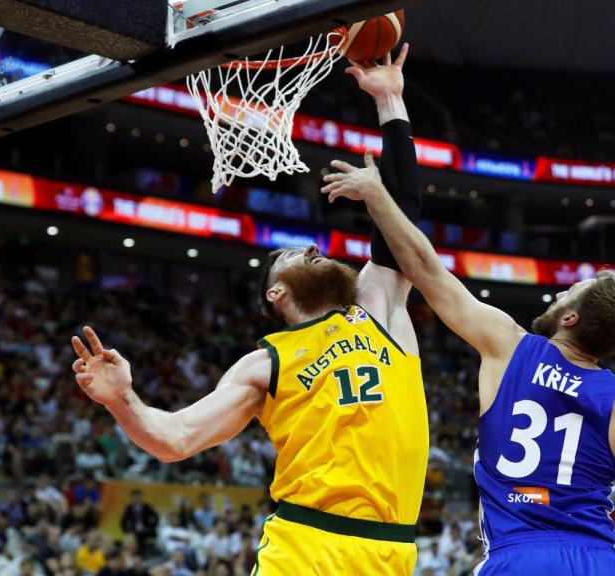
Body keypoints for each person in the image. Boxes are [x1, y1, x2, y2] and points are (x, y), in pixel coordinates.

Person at [70, 43, 427, 576]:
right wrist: (123, 401)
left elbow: (403, 215)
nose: (310, 249)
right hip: (305, 545)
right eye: (290, 256)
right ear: (276, 294)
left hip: (393, 550)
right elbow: (177, 439)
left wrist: (390, 102)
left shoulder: (378, 305)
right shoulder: (265, 363)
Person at [322, 130, 615, 576]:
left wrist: (376, 194)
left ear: (570, 319)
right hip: (598, 561)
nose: (559, 293)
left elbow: (423, 268)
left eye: (568, 293)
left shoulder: (510, 346)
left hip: (518, 556)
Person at [120, 489, 158, 554]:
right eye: (134, 497)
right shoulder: (128, 508)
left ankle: (144, 554)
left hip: (145, 530)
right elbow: (123, 521)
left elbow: (155, 517)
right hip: (133, 531)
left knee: (144, 540)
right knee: (132, 539)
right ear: (131, 498)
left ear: (140, 497)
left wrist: (151, 527)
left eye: (137, 497)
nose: (135, 499)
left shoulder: (146, 507)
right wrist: (126, 531)